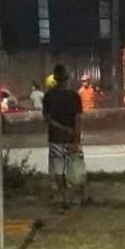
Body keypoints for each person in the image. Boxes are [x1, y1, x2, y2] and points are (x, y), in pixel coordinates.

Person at [43, 64, 85, 208]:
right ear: (67, 79)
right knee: (76, 168)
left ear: (55, 79)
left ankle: (64, 197)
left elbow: (47, 119)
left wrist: (62, 128)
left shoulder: (48, 97)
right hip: (71, 138)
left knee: (58, 170)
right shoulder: (74, 96)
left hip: (55, 138)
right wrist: (76, 140)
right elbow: (78, 119)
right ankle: (78, 197)